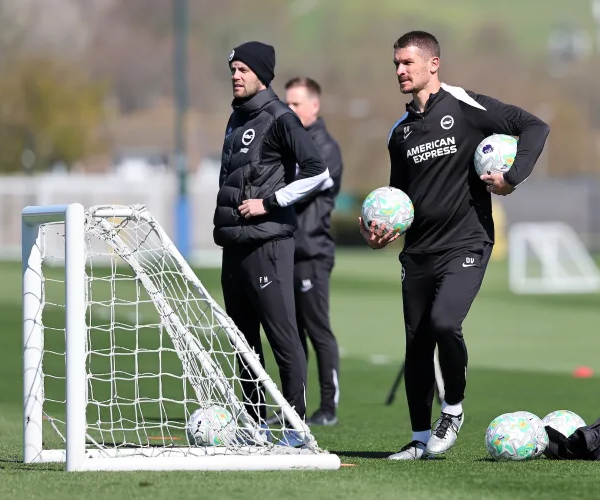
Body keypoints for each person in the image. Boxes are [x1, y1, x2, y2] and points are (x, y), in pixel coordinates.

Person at [359, 31, 549, 460]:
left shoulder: (464, 106)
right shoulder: (399, 133)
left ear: (433, 64)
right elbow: (398, 199)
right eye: (396, 64)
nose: (400, 70)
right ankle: (418, 439)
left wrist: (512, 177)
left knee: (445, 323)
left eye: (407, 62)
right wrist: (379, 234)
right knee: (417, 344)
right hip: (418, 251)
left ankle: (453, 409)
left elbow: (535, 127)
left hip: (466, 241)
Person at [214, 41, 330, 447]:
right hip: (234, 244)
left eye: (243, 69)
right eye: (233, 69)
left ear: (262, 74)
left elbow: (317, 171)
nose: (236, 75)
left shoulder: (281, 117)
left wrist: (269, 203)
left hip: (269, 245)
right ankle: (254, 426)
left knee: (282, 338)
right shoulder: (236, 118)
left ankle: (296, 428)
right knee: (243, 343)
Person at [265, 77, 344, 427]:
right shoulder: (289, 142)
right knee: (290, 333)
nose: (290, 109)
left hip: (312, 251)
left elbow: (299, 188)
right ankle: (293, 408)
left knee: (316, 330)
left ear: (315, 106)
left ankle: (327, 408)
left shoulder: (326, 148)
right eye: (287, 103)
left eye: (296, 104)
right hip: (285, 251)